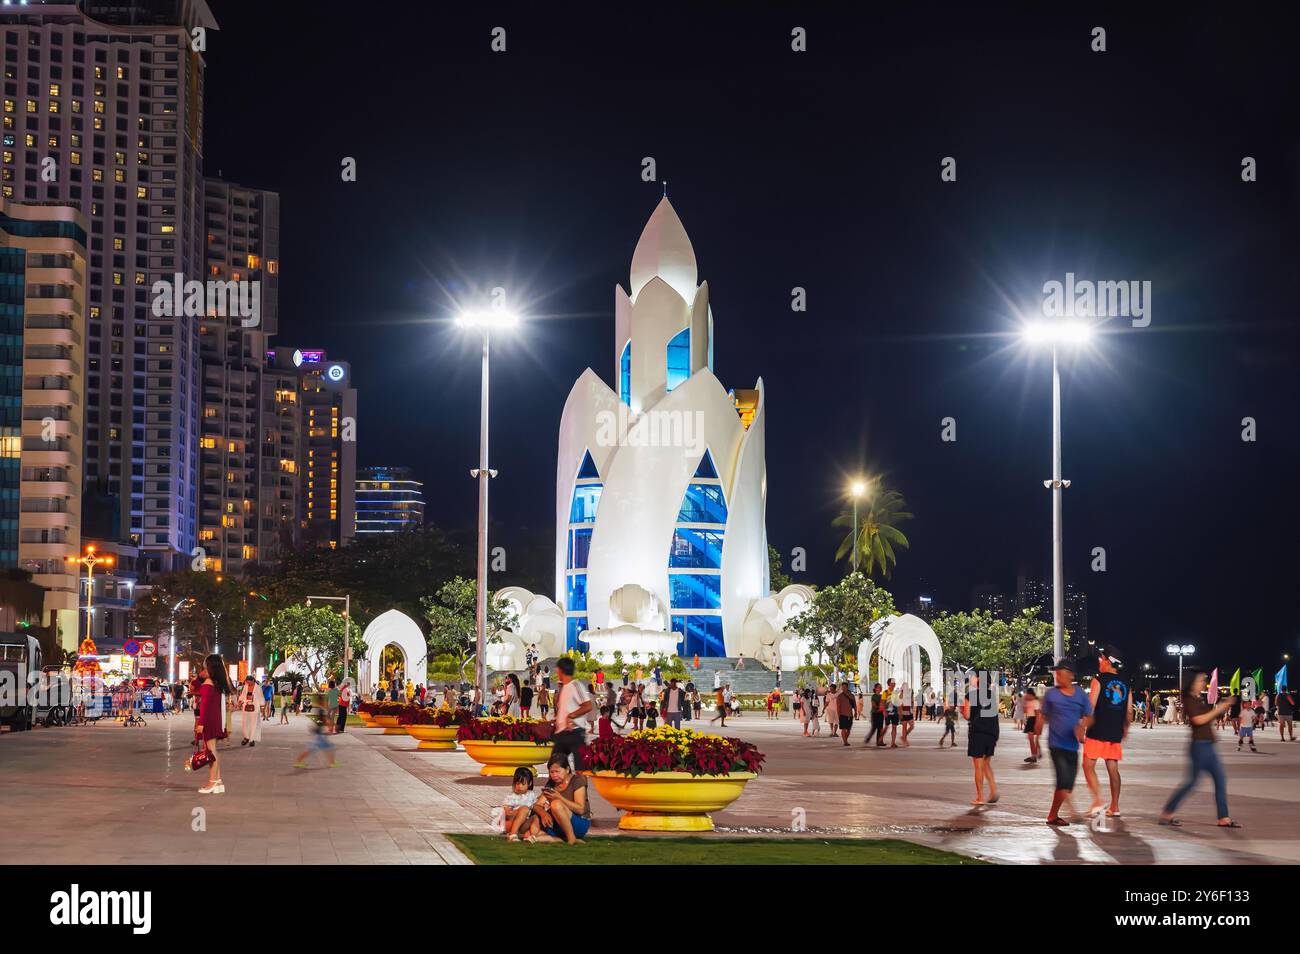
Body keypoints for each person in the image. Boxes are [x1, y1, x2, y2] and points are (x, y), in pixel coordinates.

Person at [1159, 669, 1240, 828]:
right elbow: (1198, 720)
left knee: (1220, 779)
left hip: (1208, 745)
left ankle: (1223, 817)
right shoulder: (1189, 699)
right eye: (1201, 680)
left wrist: (1222, 708)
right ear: (1192, 683)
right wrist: (1218, 709)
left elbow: (1206, 717)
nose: (1204, 683)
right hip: (1199, 747)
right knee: (1191, 782)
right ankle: (1167, 812)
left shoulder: (1199, 699)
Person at [1035, 659, 1093, 826]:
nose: (1057, 676)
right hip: (1056, 744)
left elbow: (1089, 715)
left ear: (1070, 675)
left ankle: (1052, 816)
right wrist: (1038, 727)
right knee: (1063, 780)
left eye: (1060, 673)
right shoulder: (1051, 694)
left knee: (1067, 785)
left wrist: (1082, 726)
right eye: (1056, 673)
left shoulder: (1080, 694)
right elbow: (1043, 716)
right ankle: (1073, 811)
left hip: (1073, 746)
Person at [1082, 646, 1131, 818]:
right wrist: (1125, 729)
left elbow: (1090, 707)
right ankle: (1115, 807)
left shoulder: (1098, 680)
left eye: (1101, 659)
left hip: (1097, 731)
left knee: (1088, 766)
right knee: (1112, 769)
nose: (1099, 663)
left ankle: (1097, 801)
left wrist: (1082, 728)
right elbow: (1129, 712)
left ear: (1108, 662)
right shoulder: (1126, 683)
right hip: (1114, 732)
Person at [528, 754, 591, 844]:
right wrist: (543, 814)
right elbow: (537, 805)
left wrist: (559, 797)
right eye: (551, 772)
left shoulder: (577, 780)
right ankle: (560, 839)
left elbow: (580, 809)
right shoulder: (552, 783)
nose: (554, 775)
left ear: (567, 769)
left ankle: (571, 838)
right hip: (559, 824)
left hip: (578, 823)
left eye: (557, 771)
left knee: (556, 804)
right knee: (533, 829)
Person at [196, 654, 233, 794]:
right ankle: (218, 781)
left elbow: (204, 706)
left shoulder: (208, 683)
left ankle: (212, 783)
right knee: (213, 751)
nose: (204, 664)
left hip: (209, 720)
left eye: (206, 663)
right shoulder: (218, 683)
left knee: (211, 752)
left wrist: (201, 723)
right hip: (216, 718)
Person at [962, 672, 999, 806]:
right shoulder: (992, 695)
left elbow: (967, 715)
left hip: (978, 733)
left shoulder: (970, 696)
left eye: (973, 676)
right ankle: (993, 790)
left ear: (978, 679)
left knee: (978, 766)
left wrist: (962, 710)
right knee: (986, 763)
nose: (971, 678)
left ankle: (980, 797)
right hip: (992, 732)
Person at [551, 657, 592, 771]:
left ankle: (580, 788)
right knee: (555, 766)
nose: (556, 671)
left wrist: (571, 716)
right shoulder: (564, 687)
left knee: (580, 769)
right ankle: (563, 787)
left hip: (575, 732)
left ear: (561, 670)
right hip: (562, 733)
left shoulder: (576, 685)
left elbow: (588, 705)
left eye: (557, 669)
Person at [293, 696, 338, 770]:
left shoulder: (320, 709)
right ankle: (298, 761)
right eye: (325, 702)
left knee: (327, 748)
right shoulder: (322, 710)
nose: (327, 703)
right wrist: (330, 726)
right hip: (320, 734)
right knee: (316, 749)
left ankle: (332, 763)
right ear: (322, 702)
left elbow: (322, 720)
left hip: (320, 733)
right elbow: (324, 720)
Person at [503, 767, 540, 842]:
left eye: (523, 784)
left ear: (529, 784)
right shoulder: (511, 796)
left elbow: (537, 804)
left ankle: (532, 836)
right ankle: (512, 834)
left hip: (523, 825)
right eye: (517, 783)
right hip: (512, 823)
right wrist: (514, 811)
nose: (520, 786)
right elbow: (507, 812)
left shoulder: (532, 795)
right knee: (525, 809)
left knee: (536, 817)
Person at [237, 676, 262, 748]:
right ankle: (246, 737)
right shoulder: (245, 686)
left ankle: (252, 739)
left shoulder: (258, 687)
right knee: (245, 723)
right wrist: (240, 701)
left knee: (253, 723)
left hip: (255, 707)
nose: (247, 683)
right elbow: (243, 694)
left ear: (253, 680)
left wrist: (262, 706)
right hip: (246, 706)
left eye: (249, 682)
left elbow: (260, 697)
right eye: (246, 682)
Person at [1022, 688, 1041, 763]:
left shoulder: (1035, 701)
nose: (1025, 695)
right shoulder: (1028, 701)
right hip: (1030, 719)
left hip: (1034, 719)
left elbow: (1037, 714)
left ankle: (1034, 756)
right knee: (1030, 739)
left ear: (1030, 694)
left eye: (1026, 694)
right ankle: (1034, 755)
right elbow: (1025, 711)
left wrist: (1037, 724)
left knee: (1032, 739)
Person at [835, 681, 855, 746]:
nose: (843, 688)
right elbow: (838, 706)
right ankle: (845, 742)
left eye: (845, 687)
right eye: (842, 687)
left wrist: (856, 712)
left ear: (847, 687)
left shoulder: (852, 696)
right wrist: (838, 715)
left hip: (850, 714)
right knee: (843, 729)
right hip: (842, 715)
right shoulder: (839, 696)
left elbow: (854, 705)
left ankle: (845, 739)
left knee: (848, 729)